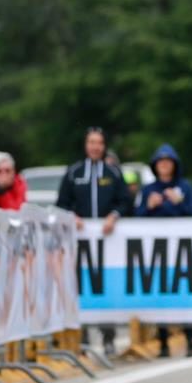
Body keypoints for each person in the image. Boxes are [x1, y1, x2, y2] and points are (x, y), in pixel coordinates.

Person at [57, 127, 132, 356]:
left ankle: (108, 336)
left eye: (99, 143)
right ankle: (83, 337)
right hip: (80, 241)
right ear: (86, 145)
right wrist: (73, 217)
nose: (95, 147)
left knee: (105, 286)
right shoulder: (74, 173)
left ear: (104, 146)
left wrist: (113, 217)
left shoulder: (113, 173)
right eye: (91, 142)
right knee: (80, 286)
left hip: (106, 242)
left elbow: (125, 202)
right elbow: (62, 203)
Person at [136, 143, 192, 358]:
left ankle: (190, 340)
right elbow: (137, 218)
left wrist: (179, 202)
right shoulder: (148, 190)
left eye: (168, 162)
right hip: (158, 251)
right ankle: (163, 342)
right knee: (161, 294)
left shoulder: (185, 187)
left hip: (181, 250)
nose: (164, 165)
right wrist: (148, 206)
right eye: (160, 162)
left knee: (184, 293)